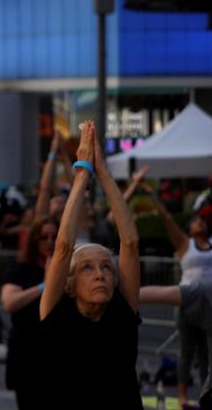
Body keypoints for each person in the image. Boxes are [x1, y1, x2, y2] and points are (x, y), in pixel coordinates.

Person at [38, 120, 141, 409]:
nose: (100, 275)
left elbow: (130, 244)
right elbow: (62, 249)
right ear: (69, 285)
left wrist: (104, 172)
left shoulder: (122, 309)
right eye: (88, 268)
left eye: (107, 268)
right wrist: (82, 171)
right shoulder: (56, 312)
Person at [137, 166, 212, 407]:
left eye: (202, 220)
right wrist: (152, 196)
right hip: (186, 301)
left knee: (206, 354)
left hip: (209, 303)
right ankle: (181, 397)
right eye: (196, 220)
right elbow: (167, 218)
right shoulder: (184, 243)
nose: (199, 222)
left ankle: (204, 394)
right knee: (187, 350)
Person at [0, 214, 56, 409]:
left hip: (56, 355)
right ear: (34, 240)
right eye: (44, 237)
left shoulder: (67, 271)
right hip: (27, 353)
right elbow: (9, 303)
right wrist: (44, 286)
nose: (50, 242)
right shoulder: (20, 269)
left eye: (54, 236)